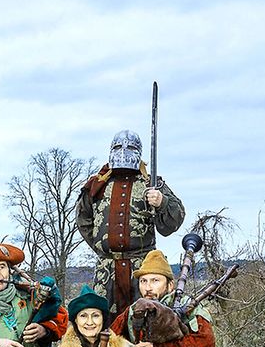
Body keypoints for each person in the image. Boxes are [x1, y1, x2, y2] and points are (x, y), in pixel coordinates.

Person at [77, 129, 185, 317]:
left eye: (130, 147)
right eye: (118, 147)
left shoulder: (151, 183)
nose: (124, 151)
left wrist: (162, 202)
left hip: (142, 270)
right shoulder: (97, 184)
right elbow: (83, 218)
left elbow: (174, 220)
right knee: (102, 322)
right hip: (106, 271)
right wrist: (100, 246)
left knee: (146, 319)